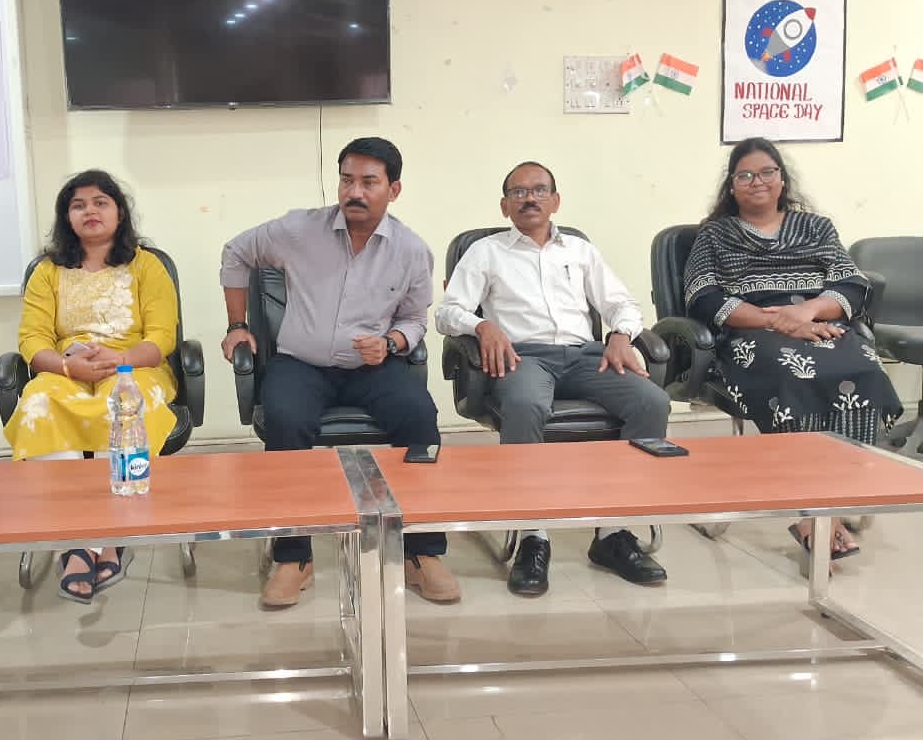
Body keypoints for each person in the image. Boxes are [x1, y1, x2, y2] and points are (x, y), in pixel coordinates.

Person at [220, 136, 460, 608]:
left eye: (369, 182)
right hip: (301, 364)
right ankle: (294, 557)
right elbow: (236, 251)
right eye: (347, 180)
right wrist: (236, 325)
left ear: (393, 190)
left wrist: (391, 343)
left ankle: (421, 552)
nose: (355, 191)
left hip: (372, 367)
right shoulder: (298, 230)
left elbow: (415, 319)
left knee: (420, 420)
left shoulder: (411, 250)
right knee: (285, 421)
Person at [435, 161, 671, 596]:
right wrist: (482, 325)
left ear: (555, 201)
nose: (530, 198)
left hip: (585, 357)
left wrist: (621, 335)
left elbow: (622, 303)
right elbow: (448, 313)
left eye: (539, 190)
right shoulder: (486, 252)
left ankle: (613, 533)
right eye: (519, 192)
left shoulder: (580, 251)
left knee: (651, 402)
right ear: (505, 205)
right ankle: (533, 534)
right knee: (525, 405)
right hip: (524, 357)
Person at [684, 137, 902, 557]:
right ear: (732, 187)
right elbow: (703, 297)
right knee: (792, 376)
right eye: (745, 175)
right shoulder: (715, 235)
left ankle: (831, 505)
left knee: (862, 370)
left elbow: (852, 284)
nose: (757, 181)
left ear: (782, 179)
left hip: (819, 323)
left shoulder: (817, 228)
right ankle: (813, 514)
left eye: (767, 172)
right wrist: (776, 321)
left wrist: (807, 313)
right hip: (752, 333)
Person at [4, 169, 179, 602]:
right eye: (78, 205)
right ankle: (75, 539)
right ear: (67, 217)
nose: (90, 211)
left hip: (132, 367)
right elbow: (33, 340)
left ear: (119, 212)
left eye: (101, 202)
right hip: (68, 368)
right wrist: (68, 369)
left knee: (121, 405)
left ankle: (111, 535)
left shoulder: (146, 265)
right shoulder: (48, 271)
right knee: (39, 402)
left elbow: (162, 337)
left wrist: (122, 359)